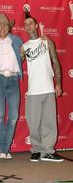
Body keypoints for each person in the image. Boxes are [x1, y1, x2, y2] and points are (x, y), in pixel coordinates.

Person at [21, 11, 64, 162]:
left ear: (37, 25)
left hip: (48, 88)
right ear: (25, 28)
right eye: (26, 25)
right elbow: (15, 63)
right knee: (34, 123)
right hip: (33, 90)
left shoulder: (47, 42)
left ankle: (48, 151)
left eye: (31, 23)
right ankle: (36, 150)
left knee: (49, 122)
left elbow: (56, 63)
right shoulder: (24, 47)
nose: (28, 26)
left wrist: (58, 83)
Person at [0, 13, 23, 159]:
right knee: (0, 115)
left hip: (14, 80)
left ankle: (4, 149)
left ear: (9, 27)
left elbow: (25, 54)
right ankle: (3, 150)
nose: (2, 27)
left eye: (5, 25)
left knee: (14, 116)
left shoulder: (16, 40)